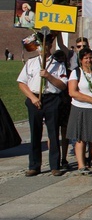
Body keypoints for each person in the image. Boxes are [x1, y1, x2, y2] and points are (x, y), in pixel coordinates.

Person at [17, 32, 68, 176]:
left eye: (46, 44)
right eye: (40, 45)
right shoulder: (31, 63)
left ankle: (54, 165)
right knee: (35, 133)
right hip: (35, 99)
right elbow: (21, 83)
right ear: (38, 47)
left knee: (53, 133)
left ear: (50, 46)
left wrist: (48, 76)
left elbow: (63, 85)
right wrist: (33, 98)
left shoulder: (58, 65)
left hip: (52, 99)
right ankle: (34, 165)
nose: (43, 48)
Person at [66, 48, 92, 175]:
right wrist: (90, 99)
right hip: (80, 108)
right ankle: (81, 165)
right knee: (81, 138)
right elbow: (72, 92)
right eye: (86, 58)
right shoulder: (76, 72)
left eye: (91, 57)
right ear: (81, 60)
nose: (89, 60)